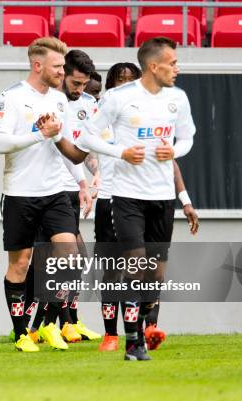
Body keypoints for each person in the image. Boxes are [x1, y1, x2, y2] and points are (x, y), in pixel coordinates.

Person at [55, 37, 195, 360]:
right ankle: (130, 341)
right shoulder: (118, 99)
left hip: (161, 199)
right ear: (154, 66)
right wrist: (120, 152)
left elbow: (187, 139)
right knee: (130, 263)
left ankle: (146, 328)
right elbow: (88, 137)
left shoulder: (178, 99)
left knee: (155, 271)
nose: (177, 68)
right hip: (125, 197)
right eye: (172, 63)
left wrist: (175, 150)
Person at [95, 62, 199, 352]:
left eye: (131, 79)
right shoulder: (99, 119)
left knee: (151, 267)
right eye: (119, 80)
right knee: (114, 271)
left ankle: (148, 326)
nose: (125, 84)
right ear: (110, 85)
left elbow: (169, 160)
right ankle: (111, 334)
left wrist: (186, 200)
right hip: (109, 200)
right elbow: (83, 153)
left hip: (146, 200)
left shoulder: (149, 115)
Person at [0, 37, 88, 352]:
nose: (63, 71)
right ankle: (22, 334)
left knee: (70, 258)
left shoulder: (60, 101)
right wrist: (37, 133)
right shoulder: (12, 98)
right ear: (38, 66)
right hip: (20, 193)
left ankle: (47, 323)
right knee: (20, 264)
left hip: (55, 192)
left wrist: (82, 182)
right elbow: (0, 142)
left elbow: (68, 152)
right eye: (58, 66)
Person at [24, 50, 101, 344]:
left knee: (72, 261)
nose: (80, 89)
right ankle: (37, 326)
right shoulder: (48, 103)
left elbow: (82, 148)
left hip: (69, 191)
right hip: (46, 190)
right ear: (62, 74)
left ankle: (61, 322)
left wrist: (91, 175)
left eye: (85, 84)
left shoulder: (85, 105)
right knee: (52, 261)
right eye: (76, 82)